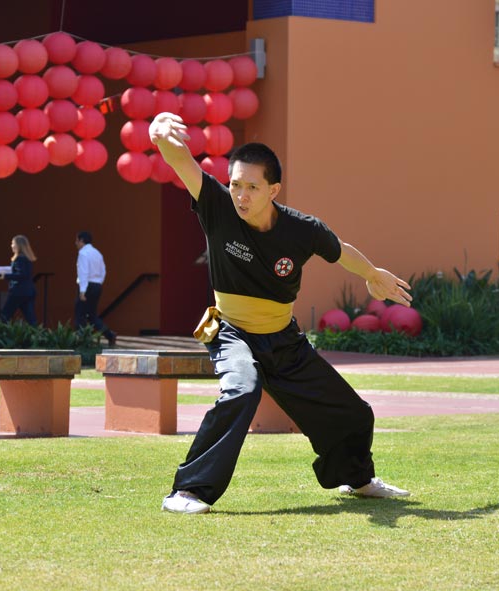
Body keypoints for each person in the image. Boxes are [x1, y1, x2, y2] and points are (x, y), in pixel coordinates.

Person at [149, 112, 413, 515]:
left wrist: (373, 274)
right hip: (230, 330)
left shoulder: (301, 229)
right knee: (242, 388)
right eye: (236, 184)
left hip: (284, 340)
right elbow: (180, 161)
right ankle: (187, 492)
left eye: (252, 187)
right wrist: (159, 134)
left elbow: (340, 251)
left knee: (353, 412)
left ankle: (357, 479)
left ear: (273, 189)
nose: (241, 195)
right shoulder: (217, 206)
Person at [74, 231, 116, 346]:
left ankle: (82, 341)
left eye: (77, 240)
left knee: (80, 315)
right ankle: (109, 334)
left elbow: (83, 272)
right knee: (92, 315)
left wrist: (82, 291)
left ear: (82, 240)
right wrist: (99, 282)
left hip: (87, 285)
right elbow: (103, 270)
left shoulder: (83, 253)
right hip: (97, 285)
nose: (75, 243)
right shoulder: (97, 253)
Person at [0, 235, 38, 325]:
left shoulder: (19, 259)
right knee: (31, 318)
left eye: (13, 243)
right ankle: (37, 336)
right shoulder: (27, 259)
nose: (11, 245)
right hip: (29, 291)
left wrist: (5, 276)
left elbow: (21, 274)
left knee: (5, 315)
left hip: (18, 291)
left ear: (18, 245)